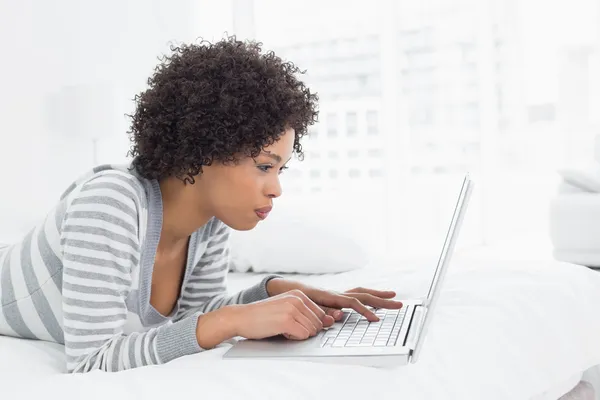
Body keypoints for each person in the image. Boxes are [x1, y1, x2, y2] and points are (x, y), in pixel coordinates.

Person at [0, 36, 402, 373]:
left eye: (281, 169)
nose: (277, 189)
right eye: (264, 165)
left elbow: (192, 317)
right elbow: (90, 362)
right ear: (203, 150)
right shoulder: (110, 204)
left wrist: (274, 292)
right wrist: (231, 321)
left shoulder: (209, 221)